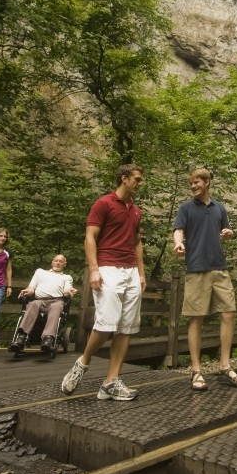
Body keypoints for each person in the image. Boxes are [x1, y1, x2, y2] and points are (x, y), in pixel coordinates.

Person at [60, 164, 147, 401]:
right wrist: (94, 270)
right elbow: (90, 236)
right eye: (137, 179)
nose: (140, 183)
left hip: (131, 272)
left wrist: (141, 273)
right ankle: (83, 362)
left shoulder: (136, 210)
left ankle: (110, 382)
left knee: (126, 327)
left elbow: (137, 242)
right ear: (124, 178)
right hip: (108, 267)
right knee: (107, 323)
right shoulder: (104, 204)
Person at [173, 168, 237, 391]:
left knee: (229, 313)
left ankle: (225, 366)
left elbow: (226, 229)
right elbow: (178, 229)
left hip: (219, 267)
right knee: (196, 318)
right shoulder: (186, 208)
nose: (193, 186)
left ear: (207, 183)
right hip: (196, 268)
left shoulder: (219, 207)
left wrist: (229, 233)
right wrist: (178, 242)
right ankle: (196, 370)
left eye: (196, 182)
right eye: (191, 183)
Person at [10, 254, 78, 357]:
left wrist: (69, 291)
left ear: (65, 264)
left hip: (56, 301)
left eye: (61, 261)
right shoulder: (40, 272)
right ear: (52, 262)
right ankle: (21, 338)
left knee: (57, 307)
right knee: (32, 304)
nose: (58, 263)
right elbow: (31, 288)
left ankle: (48, 339)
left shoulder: (66, 277)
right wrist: (26, 291)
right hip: (39, 300)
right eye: (56, 261)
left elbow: (66, 290)